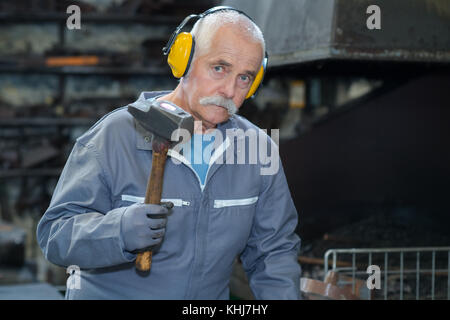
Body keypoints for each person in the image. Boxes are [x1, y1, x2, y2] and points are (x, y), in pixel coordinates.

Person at [36, 6, 301, 300]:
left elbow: (273, 251)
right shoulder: (116, 135)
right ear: (183, 59)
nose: (229, 90)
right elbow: (55, 235)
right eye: (219, 68)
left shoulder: (257, 149)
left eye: (244, 78)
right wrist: (118, 230)